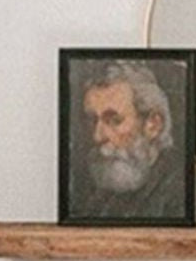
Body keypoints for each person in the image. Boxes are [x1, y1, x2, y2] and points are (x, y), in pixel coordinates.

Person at [74, 61, 184, 220]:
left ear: (153, 125)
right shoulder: (100, 195)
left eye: (114, 120)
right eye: (92, 120)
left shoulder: (177, 190)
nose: (97, 136)